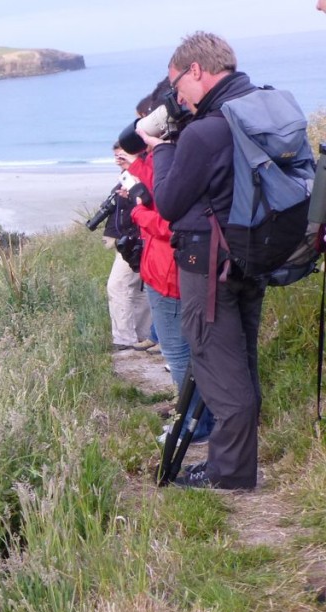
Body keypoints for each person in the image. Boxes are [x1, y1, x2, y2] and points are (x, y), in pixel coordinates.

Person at [140, 32, 266, 489]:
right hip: (255, 253)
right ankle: (238, 463)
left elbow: (170, 202)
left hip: (210, 263)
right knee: (242, 361)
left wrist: (163, 148)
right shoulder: (259, 106)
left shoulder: (205, 130)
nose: (177, 98)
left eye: (177, 86)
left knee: (217, 363)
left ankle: (229, 475)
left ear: (196, 70)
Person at [126, 79, 213, 445]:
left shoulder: (174, 156)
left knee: (181, 356)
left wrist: (136, 209)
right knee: (186, 354)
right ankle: (198, 420)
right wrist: (138, 168)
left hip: (171, 273)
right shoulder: (178, 153)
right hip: (164, 269)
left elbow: (166, 219)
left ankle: (196, 427)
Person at [104, 143, 152, 352]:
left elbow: (146, 202)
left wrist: (131, 195)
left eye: (122, 156)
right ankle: (143, 335)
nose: (118, 160)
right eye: (115, 156)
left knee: (118, 286)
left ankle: (124, 338)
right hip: (131, 239)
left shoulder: (140, 176)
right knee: (140, 289)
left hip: (135, 239)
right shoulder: (128, 174)